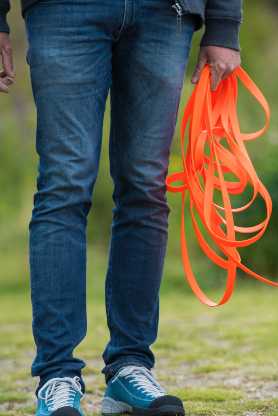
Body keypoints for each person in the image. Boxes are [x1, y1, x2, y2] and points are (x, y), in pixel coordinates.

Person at [0, 1, 242, 415]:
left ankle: (130, 366)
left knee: (146, 188)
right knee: (64, 184)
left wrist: (224, 23)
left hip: (165, 12)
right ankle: (56, 375)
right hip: (63, 10)